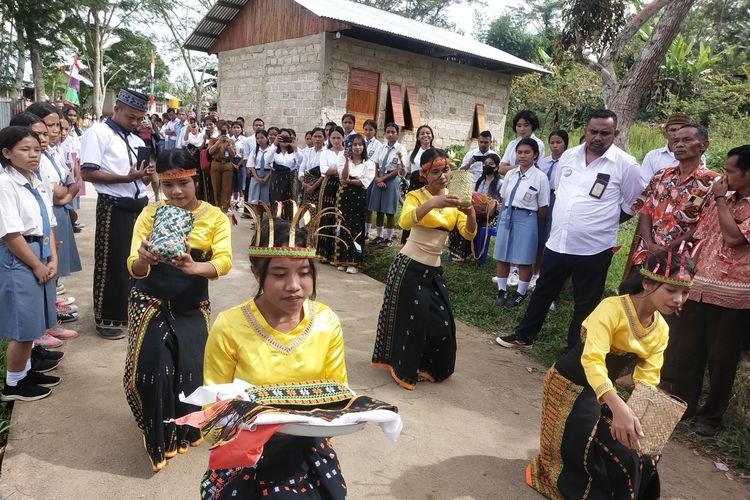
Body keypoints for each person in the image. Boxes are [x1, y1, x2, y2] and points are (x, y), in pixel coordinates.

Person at [526, 250, 694, 500]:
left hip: (603, 392)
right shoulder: (611, 308)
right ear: (647, 282)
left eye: (685, 292)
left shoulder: (660, 329)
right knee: (579, 452)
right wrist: (618, 408)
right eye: (671, 290)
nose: (679, 299)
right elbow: (592, 360)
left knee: (639, 453)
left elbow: (647, 379)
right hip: (569, 386)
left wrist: (636, 415)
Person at [200, 216, 348, 499]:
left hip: (309, 452)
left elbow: (338, 395)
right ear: (257, 274)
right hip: (247, 456)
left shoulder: (326, 322)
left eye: (304, 272)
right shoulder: (230, 325)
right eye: (279, 274)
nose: (294, 285)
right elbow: (212, 414)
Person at [497, 110, 643, 349]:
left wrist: (607, 222)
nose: (597, 137)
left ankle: (574, 350)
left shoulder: (626, 165)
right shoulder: (569, 157)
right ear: (585, 131)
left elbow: (635, 202)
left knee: (585, 302)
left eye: (604, 133)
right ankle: (525, 336)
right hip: (558, 242)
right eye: (593, 131)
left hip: (595, 247)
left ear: (615, 134)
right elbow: (560, 191)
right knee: (543, 290)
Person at [124, 149, 232, 472]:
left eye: (183, 183)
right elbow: (132, 264)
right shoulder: (150, 214)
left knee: (189, 369)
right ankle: (158, 435)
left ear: (194, 178)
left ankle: (183, 428)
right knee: (154, 366)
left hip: (191, 302)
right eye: (168, 185)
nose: (176, 193)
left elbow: (224, 262)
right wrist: (144, 260)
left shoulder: (214, 217)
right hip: (150, 300)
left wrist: (194, 267)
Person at [372, 148, 477, 390]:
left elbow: (468, 232)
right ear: (424, 173)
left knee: (443, 324)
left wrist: (470, 212)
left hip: (434, 270)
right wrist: (432, 203)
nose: (442, 177)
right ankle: (403, 368)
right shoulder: (416, 196)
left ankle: (428, 366)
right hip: (409, 266)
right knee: (413, 322)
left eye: (446, 170)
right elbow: (405, 221)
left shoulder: (455, 199)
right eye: (436, 172)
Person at [667, 145, 750, 437]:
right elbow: (703, 236)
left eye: (730, 171)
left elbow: (733, 237)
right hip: (701, 286)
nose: (724, 176)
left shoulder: (724, 200)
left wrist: (719, 199)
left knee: (721, 359)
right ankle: (681, 405)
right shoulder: (723, 200)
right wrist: (689, 276)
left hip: (735, 296)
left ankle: (711, 417)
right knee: (689, 351)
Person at [80, 89, 155, 340]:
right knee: (111, 263)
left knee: (137, 260)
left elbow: (139, 177)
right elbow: (88, 173)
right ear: (117, 109)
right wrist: (126, 177)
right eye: (131, 117)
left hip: (138, 206)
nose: (135, 123)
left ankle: (131, 313)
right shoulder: (98, 133)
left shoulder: (136, 140)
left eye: (139, 119)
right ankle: (107, 318)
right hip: (113, 207)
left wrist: (144, 175)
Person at [0, 126, 63, 402]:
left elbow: (48, 221)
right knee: (23, 326)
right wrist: (37, 265)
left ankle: (24, 372)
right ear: (6, 152)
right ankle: (13, 384)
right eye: (25, 150)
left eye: (37, 149)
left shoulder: (35, 180)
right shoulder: (5, 185)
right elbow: (11, 234)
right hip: (22, 256)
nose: (33, 155)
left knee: (37, 320)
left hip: (41, 250)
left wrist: (53, 257)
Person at [492, 138, 549, 307]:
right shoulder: (510, 174)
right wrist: (502, 218)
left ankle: (520, 293)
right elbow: (503, 198)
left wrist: (529, 222)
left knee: (524, 258)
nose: (522, 156)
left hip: (528, 218)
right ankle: (502, 291)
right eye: (519, 152)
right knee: (502, 255)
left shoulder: (540, 177)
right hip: (507, 215)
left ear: (535, 155)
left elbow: (543, 207)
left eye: (527, 152)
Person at [532, 130, 568, 288]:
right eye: (552, 142)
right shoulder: (543, 162)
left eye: (558, 142)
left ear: (565, 144)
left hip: (557, 199)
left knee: (550, 236)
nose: (555, 146)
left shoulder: (568, 163)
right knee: (538, 237)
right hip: (540, 198)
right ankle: (534, 272)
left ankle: (544, 274)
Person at [335, 133, 375, 274]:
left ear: (364, 146)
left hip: (358, 197)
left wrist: (349, 181)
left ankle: (354, 262)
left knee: (356, 227)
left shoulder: (369, 164)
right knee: (343, 224)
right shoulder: (344, 160)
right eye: (354, 145)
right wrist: (346, 161)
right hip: (344, 195)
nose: (357, 147)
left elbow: (364, 182)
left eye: (360, 144)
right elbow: (343, 177)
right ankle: (342, 259)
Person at [367, 123, 408, 247]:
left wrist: (383, 179)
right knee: (379, 210)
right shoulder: (381, 147)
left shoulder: (401, 149)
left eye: (393, 132)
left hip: (391, 180)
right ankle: (379, 236)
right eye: (388, 132)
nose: (390, 134)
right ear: (385, 133)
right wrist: (376, 179)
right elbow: (375, 164)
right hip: (379, 179)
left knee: (389, 211)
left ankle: (389, 238)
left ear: (397, 134)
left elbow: (399, 169)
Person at [640, 113, 698, 185]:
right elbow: (645, 184)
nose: (677, 133)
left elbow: (699, 181)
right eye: (673, 130)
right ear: (665, 134)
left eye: (681, 130)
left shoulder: (696, 155)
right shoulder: (652, 156)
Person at [401, 124, 434, 244]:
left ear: (432, 136)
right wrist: (401, 169)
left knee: (427, 213)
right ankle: (408, 241)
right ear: (418, 137)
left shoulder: (435, 153)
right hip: (415, 188)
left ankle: (424, 240)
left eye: (428, 133)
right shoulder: (412, 154)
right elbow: (405, 171)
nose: (425, 135)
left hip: (429, 188)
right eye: (422, 133)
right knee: (413, 212)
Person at [316, 126, 345, 263]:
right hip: (328, 186)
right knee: (326, 216)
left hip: (343, 185)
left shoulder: (347, 153)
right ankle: (323, 253)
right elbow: (324, 170)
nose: (336, 140)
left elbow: (350, 169)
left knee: (339, 216)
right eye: (333, 137)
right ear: (329, 138)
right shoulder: (325, 153)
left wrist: (336, 170)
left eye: (339, 137)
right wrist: (340, 169)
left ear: (343, 138)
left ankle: (336, 254)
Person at [264, 128, 302, 220]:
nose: (284, 140)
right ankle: (277, 223)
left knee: (290, 202)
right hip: (277, 180)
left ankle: (290, 224)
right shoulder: (273, 150)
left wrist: (295, 148)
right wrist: (275, 144)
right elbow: (267, 161)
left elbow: (300, 162)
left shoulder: (295, 150)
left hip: (291, 179)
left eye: (287, 137)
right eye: (282, 137)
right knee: (277, 202)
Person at [498, 110, 545, 175]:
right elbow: (501, 169)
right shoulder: (512, 144)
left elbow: (532, 169)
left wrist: (510, 168)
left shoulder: (538, 144)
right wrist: (521, 167)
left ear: (533, 126)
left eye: (526, 125)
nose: (522, 129)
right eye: (519, 126)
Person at [207, 120, 236, 212]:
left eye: (226, 130)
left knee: (226, 188)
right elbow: (210, 152)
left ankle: (225, 207)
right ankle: (217, 206)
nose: (224, 131)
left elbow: (233, 154)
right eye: (222, 130)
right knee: (216, 187)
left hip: (227, 164)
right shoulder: (213, 139)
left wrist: (229, 145)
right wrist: (218, 142)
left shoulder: (231, 141)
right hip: (216, 163)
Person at [299, 127, 326, 215]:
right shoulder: (307, 152)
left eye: (320, 136)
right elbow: (302, 168)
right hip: (306, 185)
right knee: (305, 209)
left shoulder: (327, 152)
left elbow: (324, 173)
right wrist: (303, 183)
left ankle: (315, 228)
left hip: (320, 185)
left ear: (324, 138)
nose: (317, 139)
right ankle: (304, 229)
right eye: (315, 136)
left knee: (316, 209)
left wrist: (313, 187)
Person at [246, 129, 271, 217]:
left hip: (268, 175)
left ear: (267, 138)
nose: (260, 140)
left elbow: (273, 166)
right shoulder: (255, 151)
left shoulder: (271, 150)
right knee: (255, 200)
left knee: (266, 199)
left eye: (262, 137)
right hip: (256, 175)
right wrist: (256, 177)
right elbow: (251, 165)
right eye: (258, 138)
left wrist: (266, 178)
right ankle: (257, 221)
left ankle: (267, 220)